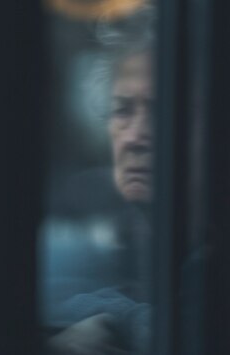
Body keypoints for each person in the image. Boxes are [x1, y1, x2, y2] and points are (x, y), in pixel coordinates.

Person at [43, 8, 155, 355]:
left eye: (160, 112)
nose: (135, 137)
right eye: (123, 111)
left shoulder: (229, 254)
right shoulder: (105, 237)